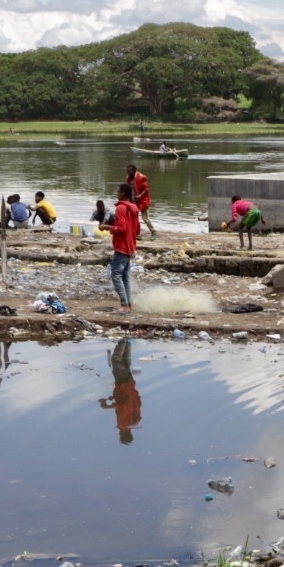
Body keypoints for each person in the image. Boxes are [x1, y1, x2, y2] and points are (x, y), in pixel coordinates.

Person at [103, 182, 141, 312]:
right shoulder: (133, 208)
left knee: (115, 274)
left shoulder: (120, 208)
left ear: (123, 193)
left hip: (122, 246)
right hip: (130, 245)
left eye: (118, 191)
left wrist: (107, 227)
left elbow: (122, 228)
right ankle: (128, 304)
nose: (116, 193)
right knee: (125, 276)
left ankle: (124, 305)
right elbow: (137, 229)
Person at [99, 337, 142, 444]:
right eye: (120, 435)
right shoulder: (122, 425)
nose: (119, 434)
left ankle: (128, 341)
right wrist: (107, 406)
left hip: (129, 385)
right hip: (123, 385)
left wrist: (115, 397)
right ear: (123, 435)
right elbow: (124, 405)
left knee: (126, 361)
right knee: (116, 359)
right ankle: (123, 341)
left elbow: (134, 403)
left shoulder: (135, 422)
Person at [125, 164, 155, 239]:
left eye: (129, 171)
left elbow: (146, 189)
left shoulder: (141, 177)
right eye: (127, 171)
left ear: (134, 171)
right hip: (133, 201)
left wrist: (140, 195)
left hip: (142, 201)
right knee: (135, 218)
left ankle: (153, 232)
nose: (128, 173)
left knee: (145, 218)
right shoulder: (128, 178)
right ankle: (138, 234)